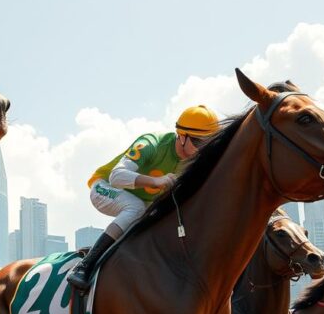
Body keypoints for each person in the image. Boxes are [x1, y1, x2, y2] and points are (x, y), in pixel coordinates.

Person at [67, 105, 220, 290]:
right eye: (198, 142)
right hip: (104, 187)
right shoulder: (151, 143)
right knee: (136, 207)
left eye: (208, 144)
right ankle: (86, 264)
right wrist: (155, 181)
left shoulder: (194, 163)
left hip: (140, 202)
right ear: (181, 135)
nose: (201, 150)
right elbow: (117, 176)